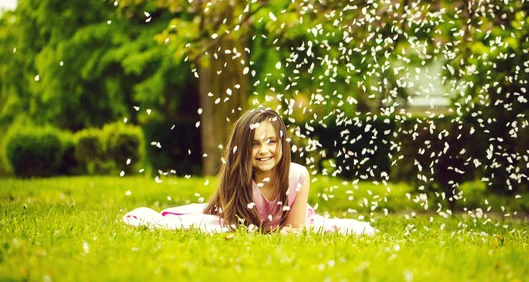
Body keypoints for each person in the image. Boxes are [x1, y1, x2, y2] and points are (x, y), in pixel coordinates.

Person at [123, 108, 376, 235]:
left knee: (354, 229)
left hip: (284, 226)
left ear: (281, 143)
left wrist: (289, 234)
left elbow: (295, 228)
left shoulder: (298, 175)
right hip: (241, 224)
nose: (263, 150)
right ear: (243, 148)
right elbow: (234, 221)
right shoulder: (238, 174)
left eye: (271, 141)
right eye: (254, 143)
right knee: (201, 225)